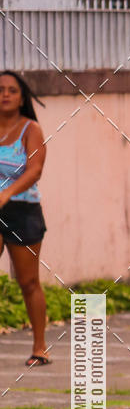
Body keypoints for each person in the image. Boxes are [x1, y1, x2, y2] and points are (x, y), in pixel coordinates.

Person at [0, 70, 49, 366]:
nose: (5, 94)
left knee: (28, 282)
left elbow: (35, 170)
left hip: (22, 210)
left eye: (12, 90)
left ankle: (40, 347)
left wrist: (7, 193)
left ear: (21, 98)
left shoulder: (30, 129)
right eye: (0, 89)